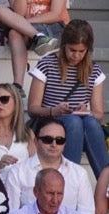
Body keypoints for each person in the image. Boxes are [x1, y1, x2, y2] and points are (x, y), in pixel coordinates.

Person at [25, 19, 107, 177]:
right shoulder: (47, 64)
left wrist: (86, 111)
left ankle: (106, 182)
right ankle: (68, 180)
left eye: (81, 52)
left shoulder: (94, 70)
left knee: (90, 122)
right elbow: (33, 108)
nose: (76, 55)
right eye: (72, 50)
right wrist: (54, 110)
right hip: (49, 121)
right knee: (73, 121)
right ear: (64, 45)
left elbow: (98, 114)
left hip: (78, 124)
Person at [0, 117, 94, 214]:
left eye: (59, 140)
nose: (54, 144)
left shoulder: (79, 174)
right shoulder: (18, 171)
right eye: (47, 139)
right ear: (35, 141)